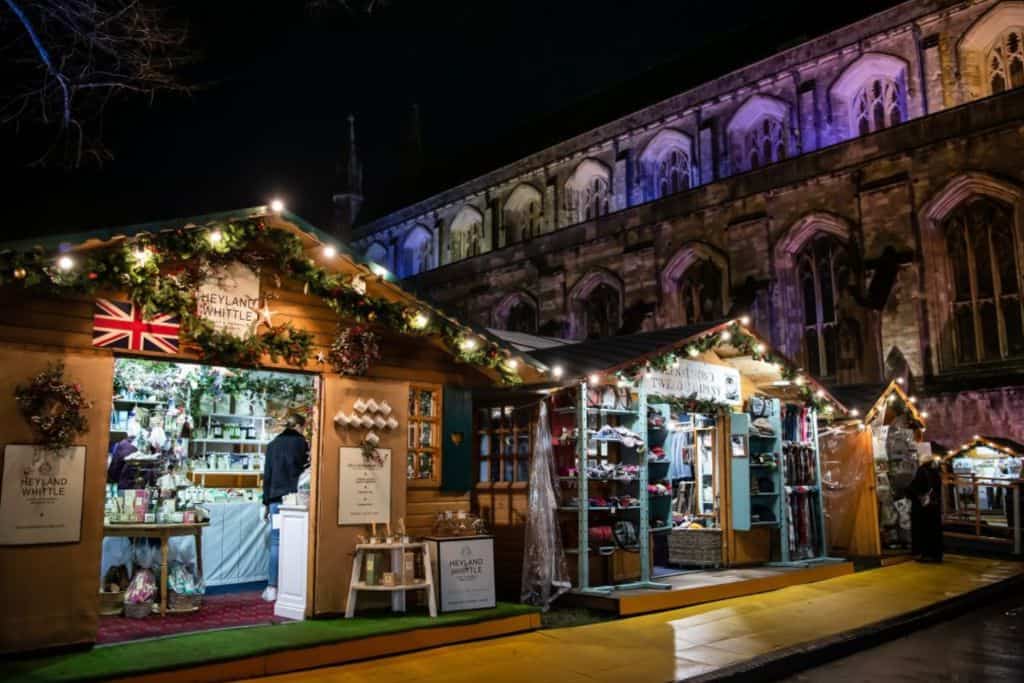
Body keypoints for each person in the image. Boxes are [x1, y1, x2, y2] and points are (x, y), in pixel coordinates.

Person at [262, 413, 310, 602]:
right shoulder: (301, 444)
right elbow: (305, 471)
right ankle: (294, 587)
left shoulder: (272, 445)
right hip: (295, 500)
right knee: (297, 542)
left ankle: (272, 587)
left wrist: (266, 502)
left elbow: (267, 475)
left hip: (274, 500)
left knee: (276, 542)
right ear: (298, 426)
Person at [908, 454, 943, 562]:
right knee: (934, 531)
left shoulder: (921, 471)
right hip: (934, 507)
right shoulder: (936, 472)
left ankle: (925, 554)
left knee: (923, 531)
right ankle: (935, 555)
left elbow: (914, 488)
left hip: (923, 508)